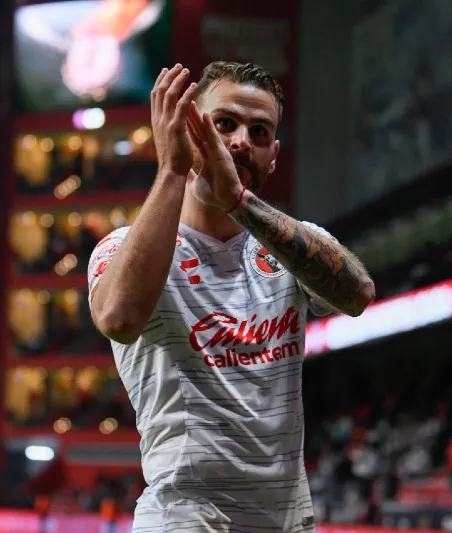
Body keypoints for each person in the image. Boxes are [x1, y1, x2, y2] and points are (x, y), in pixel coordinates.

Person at [87, 61, 375, 533]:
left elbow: (358, 294)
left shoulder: (293, 246)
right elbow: (118, 317)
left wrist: (239, 203)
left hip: (287, 523)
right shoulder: (122, 248)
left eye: (259, 132)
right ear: (187, 129)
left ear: (274, 155)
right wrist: (172, 168)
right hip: (184, 521)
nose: (242, 140)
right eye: (224, 124)